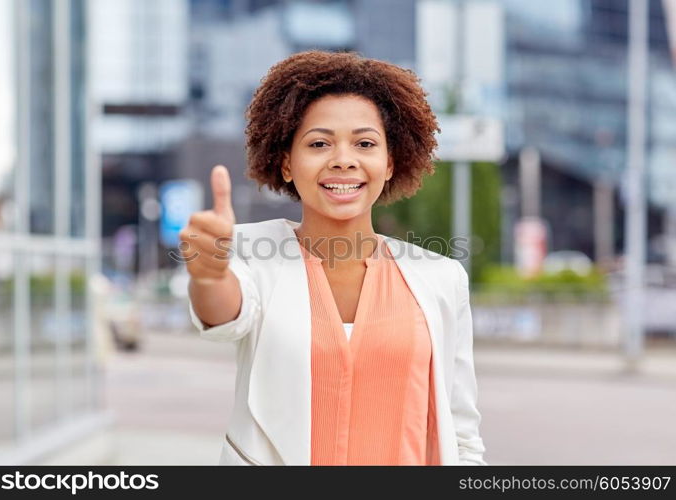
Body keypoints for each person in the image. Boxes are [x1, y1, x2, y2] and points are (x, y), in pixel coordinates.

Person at [179, 50, 487, 466]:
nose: (343, 159)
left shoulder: (441, 277)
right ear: (287, 163)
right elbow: (226, 314)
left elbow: (461, 432)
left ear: (390, 162)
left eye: (364, 143)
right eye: (319, 143)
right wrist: (209, 277)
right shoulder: (251, 252)